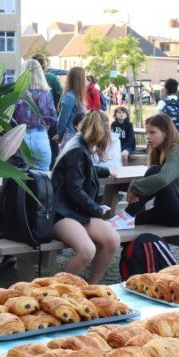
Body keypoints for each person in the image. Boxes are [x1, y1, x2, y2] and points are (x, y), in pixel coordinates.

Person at [51, 111, 120, 284]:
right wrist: (96, 209)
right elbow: (74, 190)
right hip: (61, 213)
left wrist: (104, 171)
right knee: (87, 250)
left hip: (75, 211)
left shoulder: (79, 144)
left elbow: (81, 171)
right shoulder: (78, 150)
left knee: (112, 239)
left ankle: (91, 286)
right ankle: (59, 288)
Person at [108, 114, 179, 230]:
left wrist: (133, 186)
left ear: (165, 132)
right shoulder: (160, 152)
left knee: (155, 170)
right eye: (146, 133)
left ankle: (127, 214)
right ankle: (127, 219)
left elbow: (163, 179)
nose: (148, 137)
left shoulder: (178, 151)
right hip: (162, 210)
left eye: (152, 132)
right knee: (129, 225)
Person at [11, 59, 57, 171]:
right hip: (41, 137)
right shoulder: (46, 94)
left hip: (21, 139)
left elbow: (10, 118)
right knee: (43, 178)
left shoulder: (16, 93)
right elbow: (53, 119)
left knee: (23, 178)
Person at [56, 66, 87, 148]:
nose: (86, 80)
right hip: (70, 137)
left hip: (77, 136)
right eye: (85, 77)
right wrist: (60, 136)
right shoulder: (70, 96)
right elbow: (62, 120)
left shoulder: (78, 96)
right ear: (79, 79)